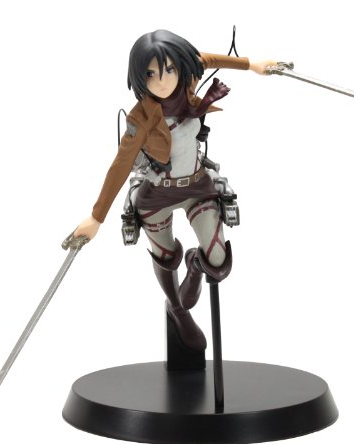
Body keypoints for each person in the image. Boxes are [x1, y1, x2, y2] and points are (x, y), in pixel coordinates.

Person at [73, 29, 275, 354]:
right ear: (139, 76)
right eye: (151, 73)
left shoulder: (188, 82)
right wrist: (96, 218)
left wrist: (253, 64)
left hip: (197, 186)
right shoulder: (140, 118)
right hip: (157, 194)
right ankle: (177, 309)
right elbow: (121, 164)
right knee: (165, 258)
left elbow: (209, 59)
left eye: (169, 69)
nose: (163, 80)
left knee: (218, 261)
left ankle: (195, 266)